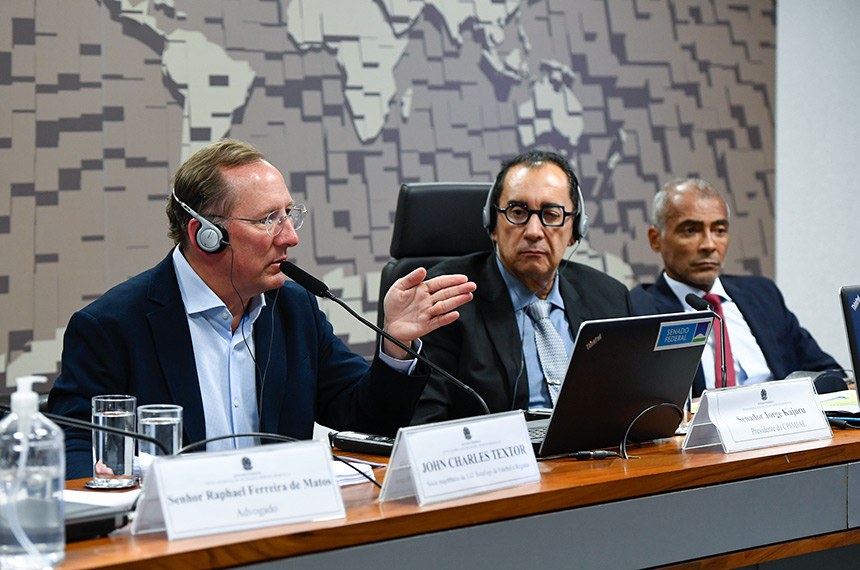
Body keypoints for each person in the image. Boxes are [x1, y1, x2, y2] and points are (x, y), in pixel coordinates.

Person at [48, 139, 476, 479]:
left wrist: (396, 345)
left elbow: (362, 418)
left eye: (290, 215)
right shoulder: (112, 326)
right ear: (206, 235)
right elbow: (74, 445)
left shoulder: (293, 307)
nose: (290, 237)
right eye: (269, 219)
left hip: (278, 529)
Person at [410, 150, 632, 423]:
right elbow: (425, 422)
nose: (534, 231)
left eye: (551, 214)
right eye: (518, 212)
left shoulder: (610, 297)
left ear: (575, 230)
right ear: (492, 225)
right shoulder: (450, 299)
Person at [630, 177, 841, 396]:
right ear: (656, 239)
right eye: (691, 230)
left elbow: (826, 373)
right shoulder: (639, 309)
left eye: (719, 230)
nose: (709, 245)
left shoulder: (762, 295)